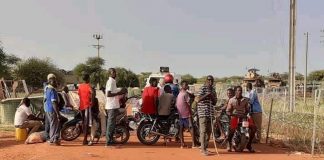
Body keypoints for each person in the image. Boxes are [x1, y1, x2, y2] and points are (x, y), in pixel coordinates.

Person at [226, 86, 256, 152]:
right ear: (235, 92)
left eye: (241, 90)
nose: (240, 92)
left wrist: (247, 114)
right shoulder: (231, 100)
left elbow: (248, 110)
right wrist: (231, 114)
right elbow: (228, 110)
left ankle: (249, 145)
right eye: (238, 90)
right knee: (232, 129)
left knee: (254, 128)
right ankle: (229, 143)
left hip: (243, 117)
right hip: (235, 117)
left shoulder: (245, 100)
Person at [105, 68, 127, 147]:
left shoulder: (113, 81)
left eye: (115, 72)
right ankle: (108, 142)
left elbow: (113, 92)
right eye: (112, 72)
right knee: (110, 124)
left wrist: (119, 91)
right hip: (111, 106)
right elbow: (108, 94)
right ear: (109, 74)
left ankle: (111, 140)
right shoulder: (111, 81)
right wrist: (119, 92)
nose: (114, 73)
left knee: (112, 124)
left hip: (113, 106)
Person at [197, 75, 217, 156]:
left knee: (209, 132)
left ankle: (205, 147)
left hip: (210, 113)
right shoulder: (202, 88)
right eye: (209, 80)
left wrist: (211, 96)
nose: (210, 82)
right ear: (206, 81)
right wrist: (206, 95)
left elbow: (215, 102)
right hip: (203, 112)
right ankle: (203, 149)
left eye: (212, 80)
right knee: (203, 131)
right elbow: (198, 99)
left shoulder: (213, 90)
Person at [176, 80, 198, 148]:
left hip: (181, 114)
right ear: (182, 86)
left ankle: (182, 144)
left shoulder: (179, 94)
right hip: (186, 114)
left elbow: (177, 104)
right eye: (185, 85)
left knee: (181, 128)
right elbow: (189, 103)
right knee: (191, 128)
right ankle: (193, 144)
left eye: (187, 85)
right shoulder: (185, 94)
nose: (187, 86)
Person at [45, 74, 61, 145]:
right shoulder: (52, 90)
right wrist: (58, 113)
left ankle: (53, 139)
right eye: (53, 82)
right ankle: (53, 139)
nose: (55, 83)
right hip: (52, 109)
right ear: (50, 82)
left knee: (52, 124)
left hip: (48, 109)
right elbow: (54, 102)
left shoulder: (47, 89)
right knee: (54, 125)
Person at [78, 73, 93, 145]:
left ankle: (85, 138)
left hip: (81, 106)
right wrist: (92, 101)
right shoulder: (88, 86)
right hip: (87, 105)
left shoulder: (80, 86)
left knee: (84, 122)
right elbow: (92, 92)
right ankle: (85, 139)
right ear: (88, 79)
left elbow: (79, 95)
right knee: (87, 123)